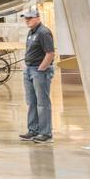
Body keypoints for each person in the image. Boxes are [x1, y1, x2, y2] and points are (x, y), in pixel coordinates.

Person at [20, 8, 55, 144]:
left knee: (42, 103)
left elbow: (50, 53)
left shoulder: (43, 32)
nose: (27, 20)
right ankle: (33, 130)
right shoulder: (31, 32)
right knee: (32, 102)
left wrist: (41, 70)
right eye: (25, 18)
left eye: (30, 18)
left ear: (38, 18)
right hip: (29, 70)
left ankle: (46, 133)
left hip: (39, 71)